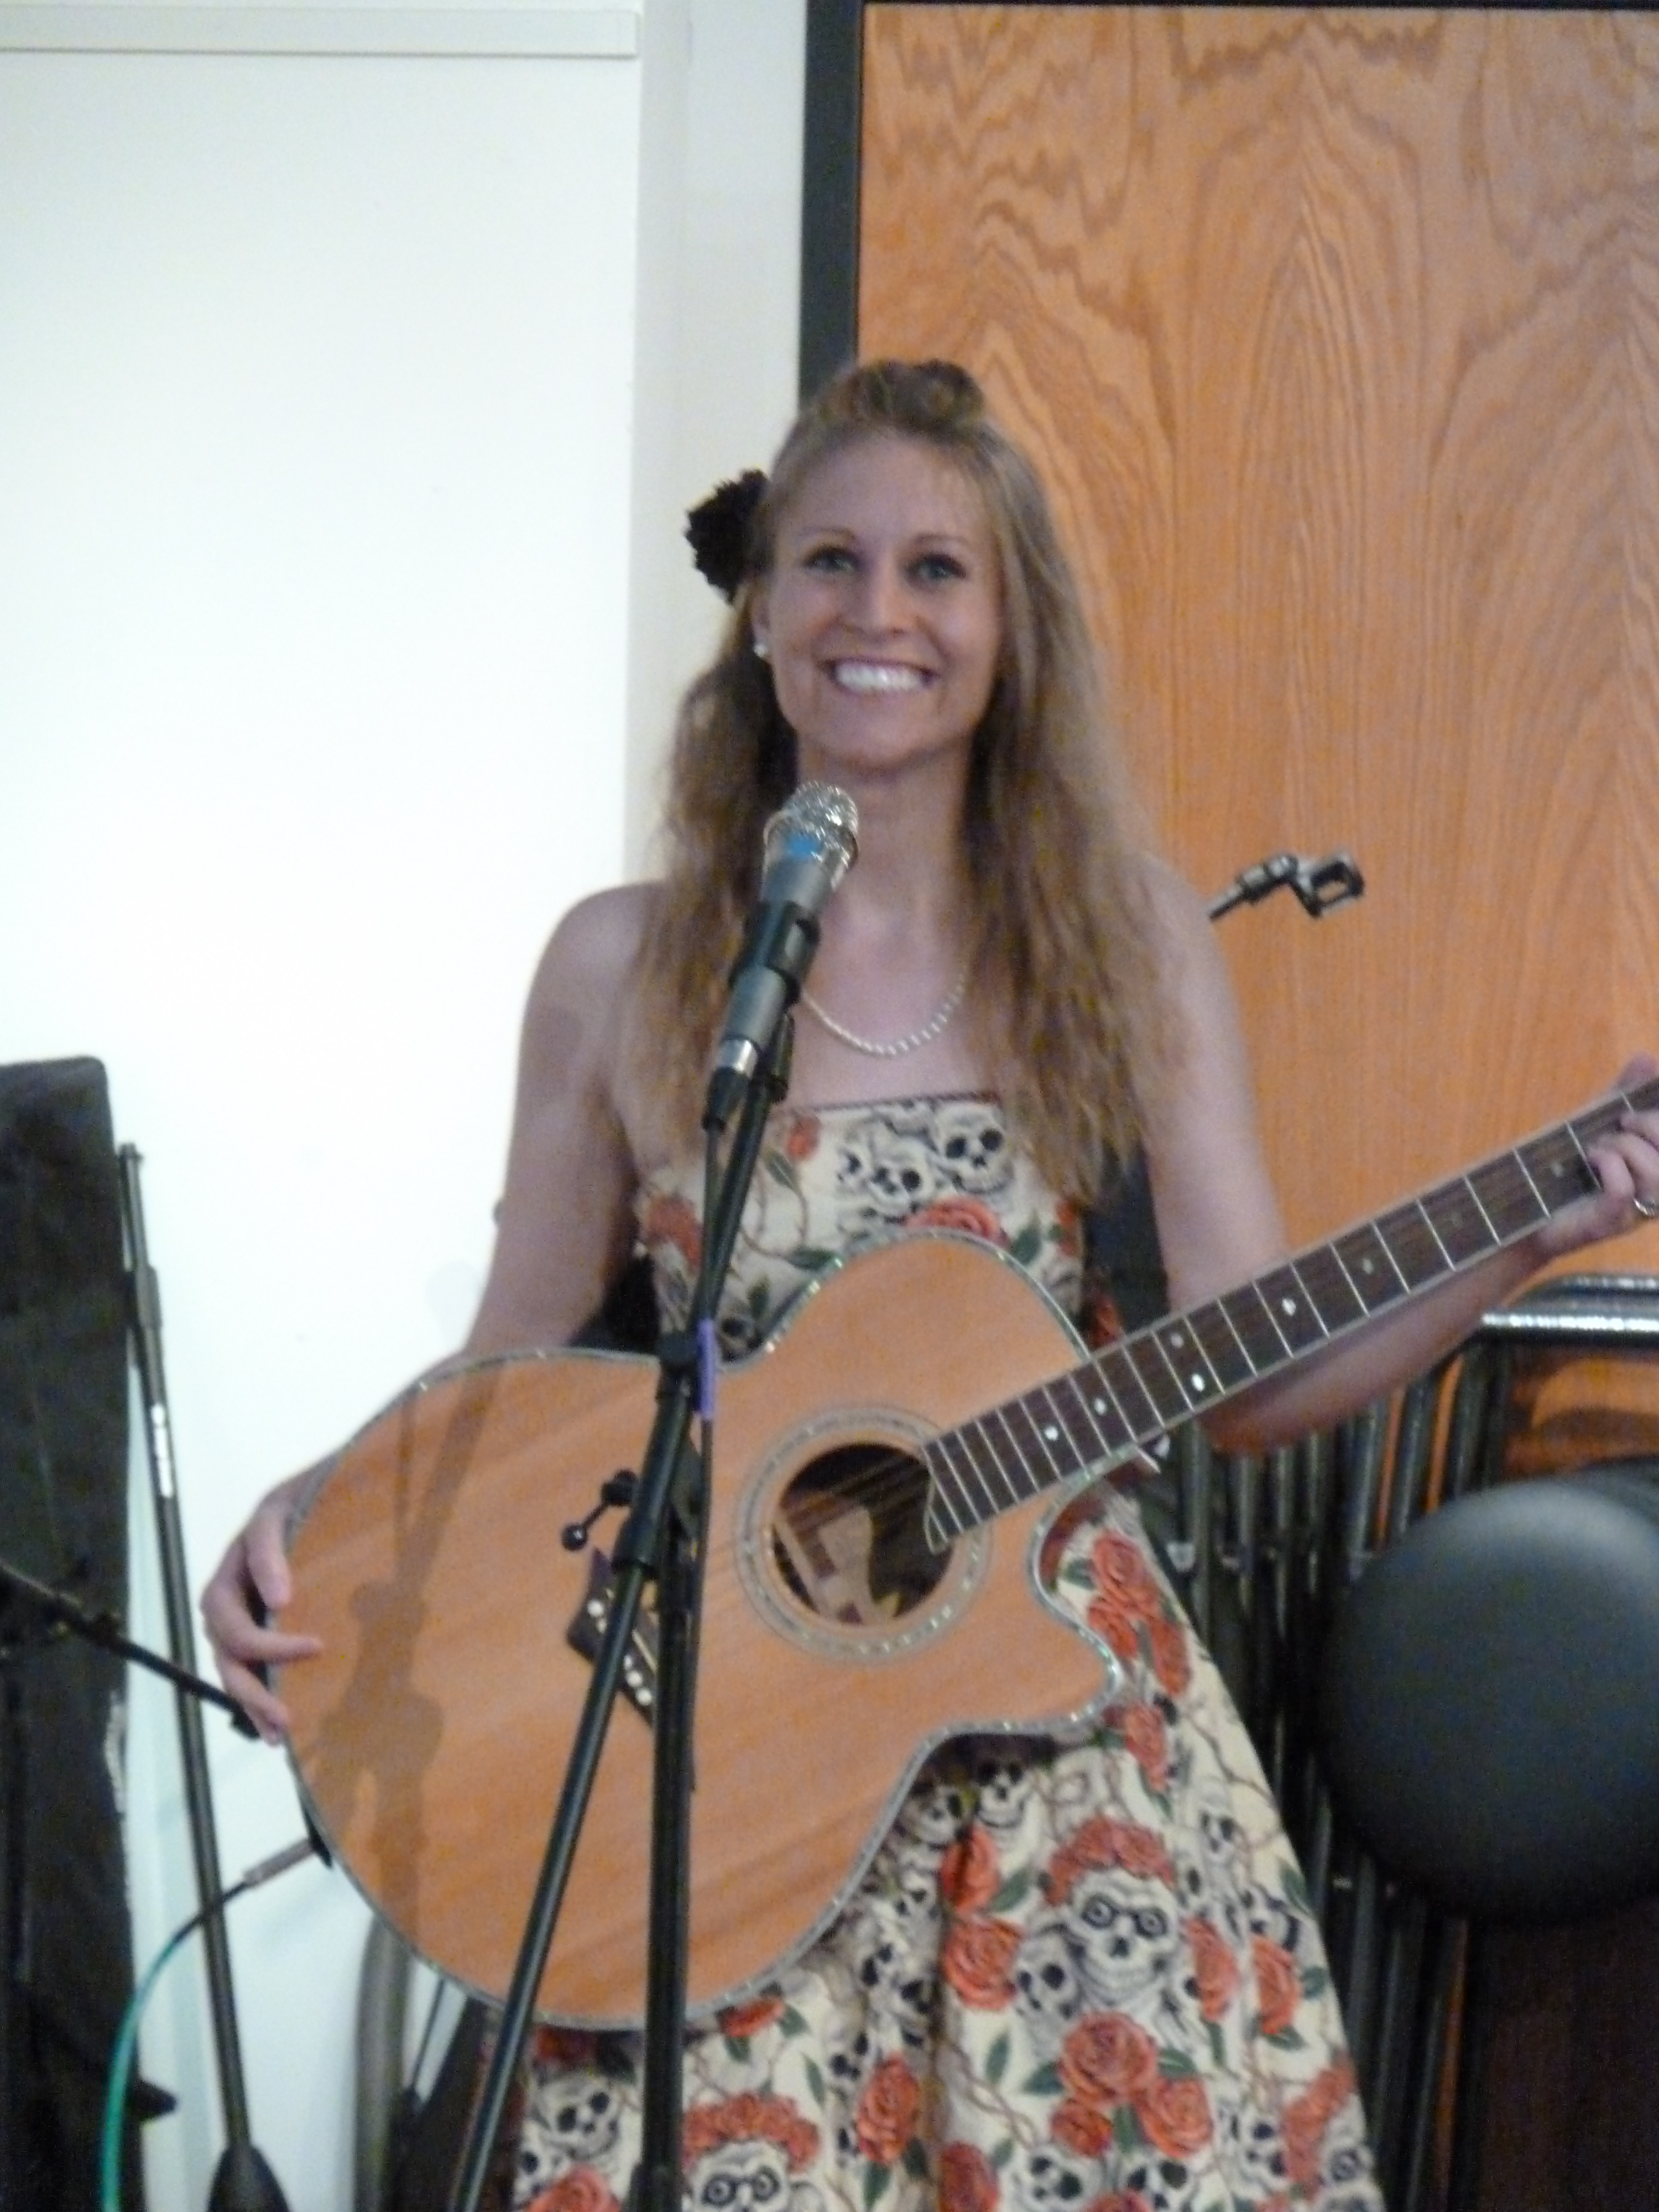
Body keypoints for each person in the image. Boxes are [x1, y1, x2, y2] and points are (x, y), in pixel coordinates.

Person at [204, 358, 1659, 2212]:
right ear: (759, 609)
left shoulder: (1126, 944)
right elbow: (510, 1352)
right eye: (829, 561)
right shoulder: (621, 967)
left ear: (1007, 627)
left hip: (1052, 1751)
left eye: (936, 570)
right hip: (707, 1766)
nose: (875, 612)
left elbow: (1249, 1367)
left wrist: (1537, 1223)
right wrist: (322, 1512)